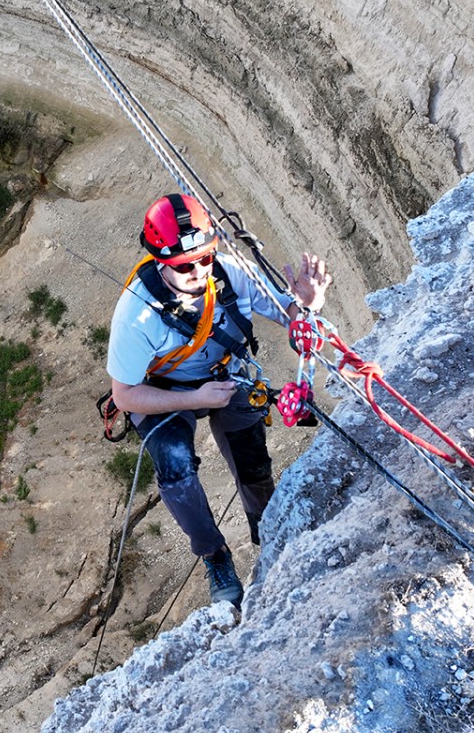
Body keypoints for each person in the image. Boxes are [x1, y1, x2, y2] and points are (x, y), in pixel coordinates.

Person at [106, 193, 332, 609]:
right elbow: (125, 395)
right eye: (184, 266)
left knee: (253, 462)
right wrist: (194, 397)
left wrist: (307, 306)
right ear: (160, 263)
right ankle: (214, 555)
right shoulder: (136, 317)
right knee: (175, 465)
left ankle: (272, 533)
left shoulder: (229, 273)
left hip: (223, 378)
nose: (198, 271)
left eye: (204, 259)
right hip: (164, 391)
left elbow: (291, 318)